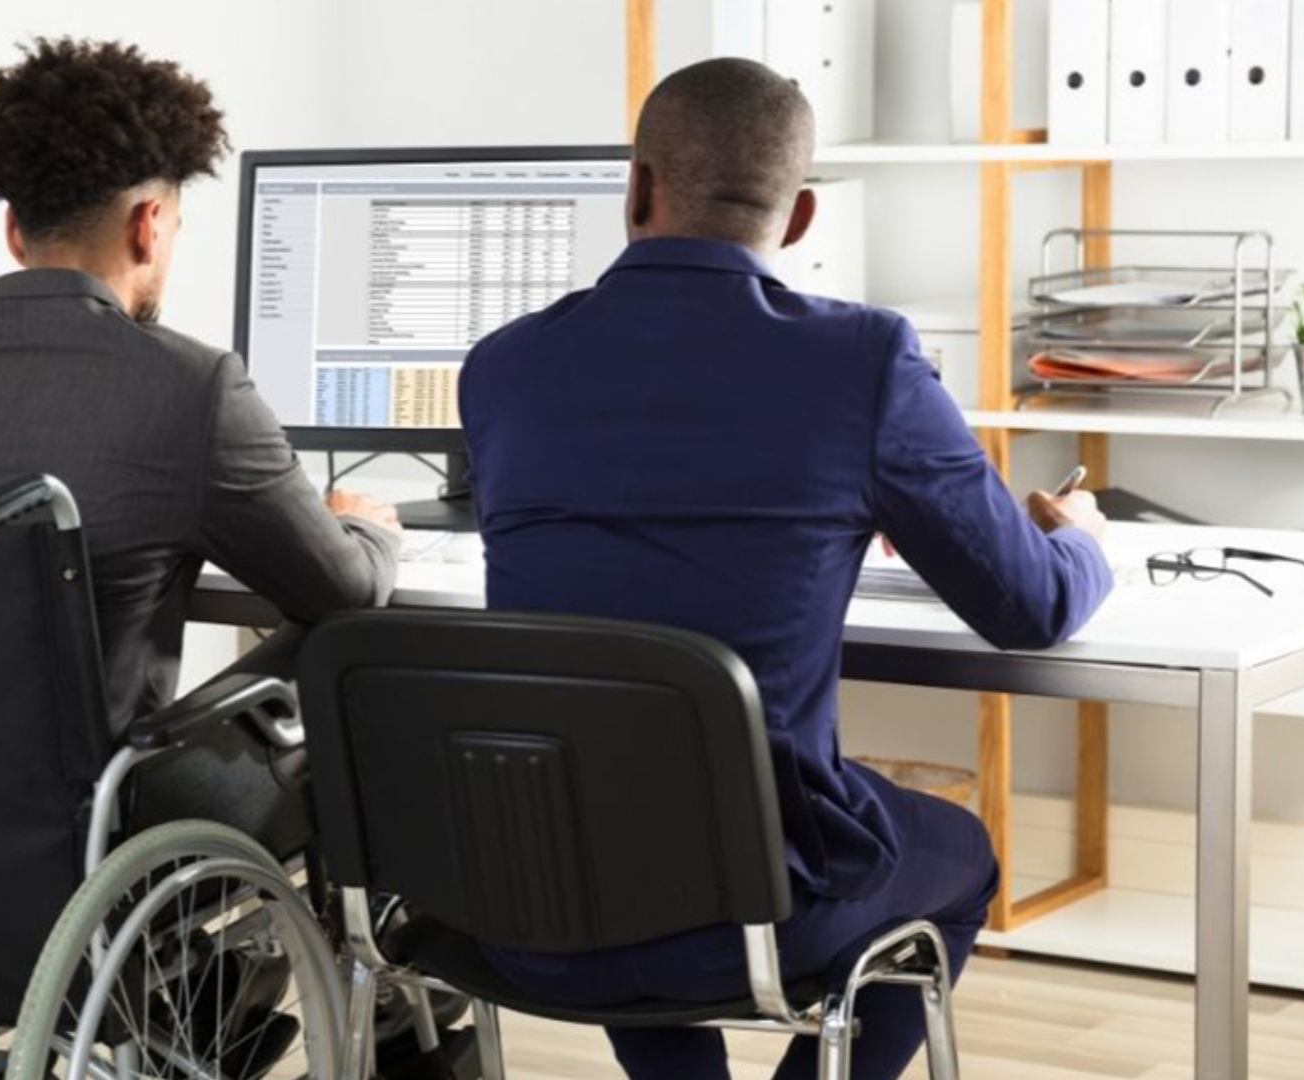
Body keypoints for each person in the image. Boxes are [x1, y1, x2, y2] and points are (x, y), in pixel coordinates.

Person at [461, 59, 1114, 1080]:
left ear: (634, 189)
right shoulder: (863, 361)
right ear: (803, 216)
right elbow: (1029, 607)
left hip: (528, 895)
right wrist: (1080, 536)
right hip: (756, 907)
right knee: (964, 858)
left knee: (625, 807)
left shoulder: (501, 367)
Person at [0, 37, 401, 850]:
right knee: (341, 640)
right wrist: (368, 530)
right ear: (149, 226)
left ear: (13, 231)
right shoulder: (191, 388)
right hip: (99, 820)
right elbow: (340, 593)